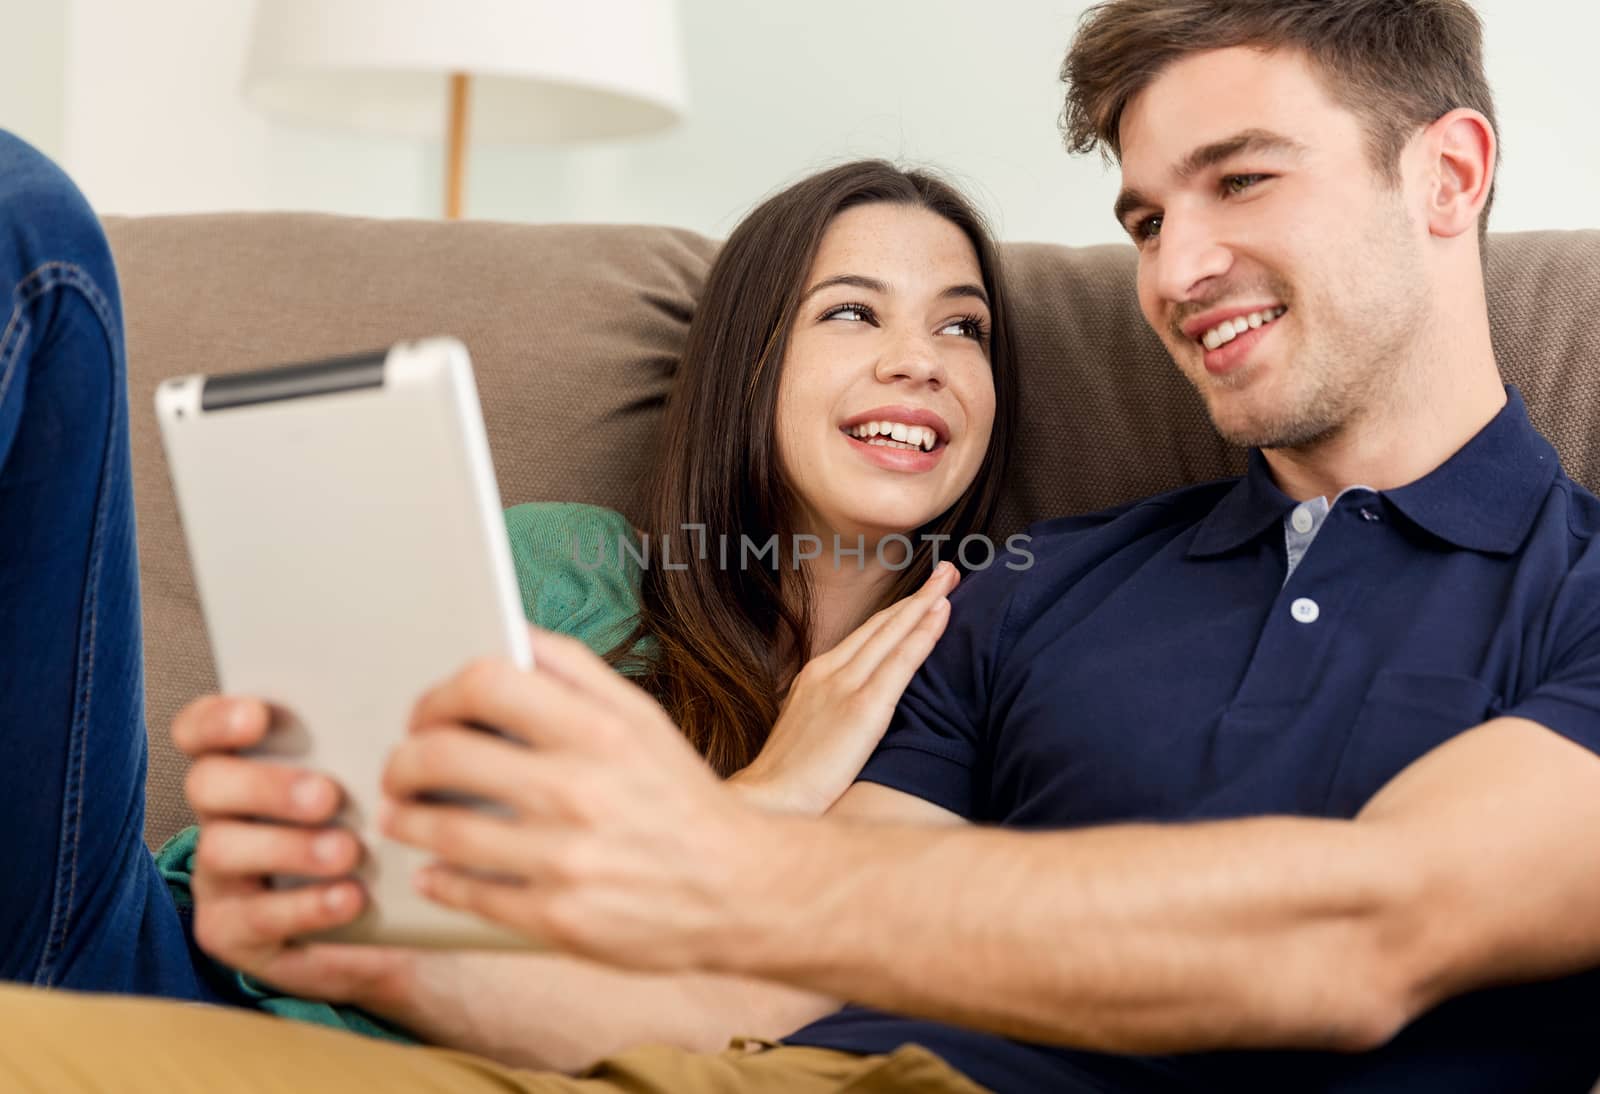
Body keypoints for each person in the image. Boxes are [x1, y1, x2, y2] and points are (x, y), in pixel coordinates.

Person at [6, 0, 1600, 1091]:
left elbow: (1374, 929)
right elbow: (742, 991)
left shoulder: (1580, 598)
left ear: (1447, 174)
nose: (1177, 266)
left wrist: (722, 853)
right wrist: (393, 954)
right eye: (1141, 218)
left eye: (1240, 179)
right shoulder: (1038, 590)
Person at [0, 142, 1015, 1065]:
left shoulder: (985, 693)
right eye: (851, 310)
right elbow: (309, 861)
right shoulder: (574, 568)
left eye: (960, 325)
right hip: (161, 963)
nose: (918, 358)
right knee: (29, 215)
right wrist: (768, 790)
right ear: (750, 362)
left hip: (365, 1058)